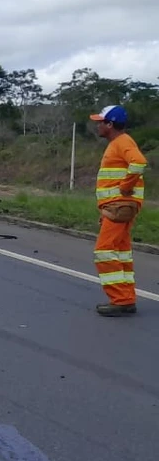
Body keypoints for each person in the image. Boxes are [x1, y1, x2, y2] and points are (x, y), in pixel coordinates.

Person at [91, 105, 147, 316]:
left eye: (100, 122)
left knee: (104, 251)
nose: (97, 126)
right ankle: (126, 298)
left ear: (110, 124)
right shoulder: (119, 143)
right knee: (121, 252)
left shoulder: (122, 142)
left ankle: (120, 299)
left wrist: (125, 187)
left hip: (120, 206)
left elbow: (139, 163)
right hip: (116, 208)